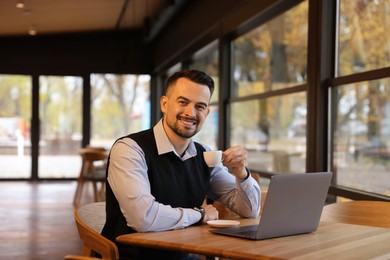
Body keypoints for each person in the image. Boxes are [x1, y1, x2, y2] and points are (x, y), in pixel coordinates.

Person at [101, 69, 261, 259]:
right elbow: (143, 218)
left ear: (207, 113)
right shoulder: (129, 149)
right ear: (164, 104)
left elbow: (250, 211)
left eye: (200, 106)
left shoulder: (205, 155)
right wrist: (200, 214)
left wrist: (241, 173)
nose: (191, 113)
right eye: (183, 102)